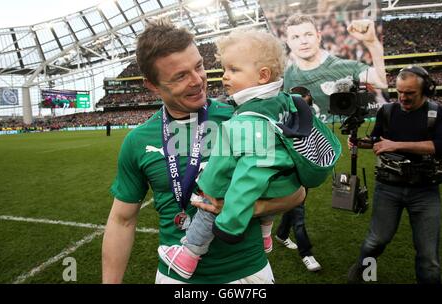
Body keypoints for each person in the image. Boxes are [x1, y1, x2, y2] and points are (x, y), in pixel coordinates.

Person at [102, 19, 306, 284]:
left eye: (198, 66)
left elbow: (297, 194)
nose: (198, 80)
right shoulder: (138, 141)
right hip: (175, 279)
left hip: (249, 273)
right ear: (152, 85)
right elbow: (122, 221)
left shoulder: (244, 117)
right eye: (180, 76)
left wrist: (245, 207)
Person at [157, 29, 341, 280]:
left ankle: (188, 255)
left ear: (263, 75)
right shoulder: (281, 101)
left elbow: (251, 173)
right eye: (224, 69)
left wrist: (230, 219)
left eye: (233, 70)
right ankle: (266, 235)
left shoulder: (250, 119)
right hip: (281, 185)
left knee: (210, 200)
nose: (224, 76)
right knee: (263, 180)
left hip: (251, 198)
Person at [347, 66, 442, 284]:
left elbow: (441, 145)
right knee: (376, 242)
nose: (403, 97)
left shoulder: (438, 112)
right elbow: (377, 140)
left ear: (426, 90)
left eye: (409, 93)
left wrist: (397, 145)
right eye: (399, 91)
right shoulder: (388, 111)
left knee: (429, 256)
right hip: (388, 187)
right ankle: (364, 275)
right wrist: (359, 142)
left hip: (425, 190)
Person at [284, 14, 388, 120]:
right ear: (288, 43)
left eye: (308, 34)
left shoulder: (345, 67)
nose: (303, 41)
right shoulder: (286, 76)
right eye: (295, 37)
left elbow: (382, 81)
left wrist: (372, 42)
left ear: (318, 37)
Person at [274, 88, 322, 272]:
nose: (304, 108)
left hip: (305, 175)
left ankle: (281, 234)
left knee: (295, 208)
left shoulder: (310, 122)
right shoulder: (282, 122)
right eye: (300, 104)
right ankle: (306, 254)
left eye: (307, 105)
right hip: (290, 176)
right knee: (299, 216)